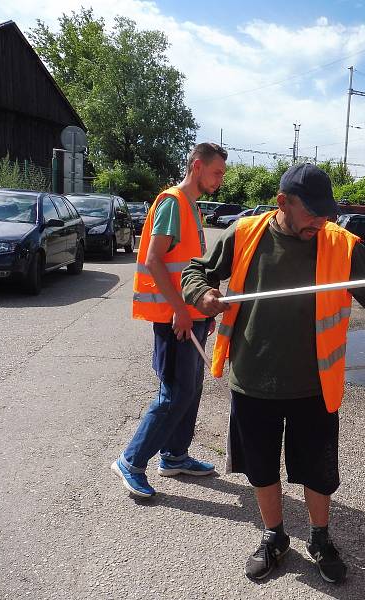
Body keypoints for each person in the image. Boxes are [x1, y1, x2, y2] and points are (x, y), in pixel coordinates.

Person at [181, 163, 365, 584]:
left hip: (315, 383)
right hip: (253, 379)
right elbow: (196, 270)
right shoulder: (244, 234)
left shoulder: (341, 244)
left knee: (317, 470)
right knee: (261, 467)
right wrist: (202, 294)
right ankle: (274, 536)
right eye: (312, 213)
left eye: (327, 213)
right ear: (283, 203)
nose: (322, 221)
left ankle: (320, 539)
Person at [111, 142, 228, 498]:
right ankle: (131, 460)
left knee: (189, 390)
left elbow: (192, 264)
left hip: (191, 316)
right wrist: (179, 308)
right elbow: (154, 259)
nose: (220, 180)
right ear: (197, 166)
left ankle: (174, 455)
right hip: (174, 318)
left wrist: (200, 307)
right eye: (216, 172)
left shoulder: (191, 205)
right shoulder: (173, 202)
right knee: (174, 393)